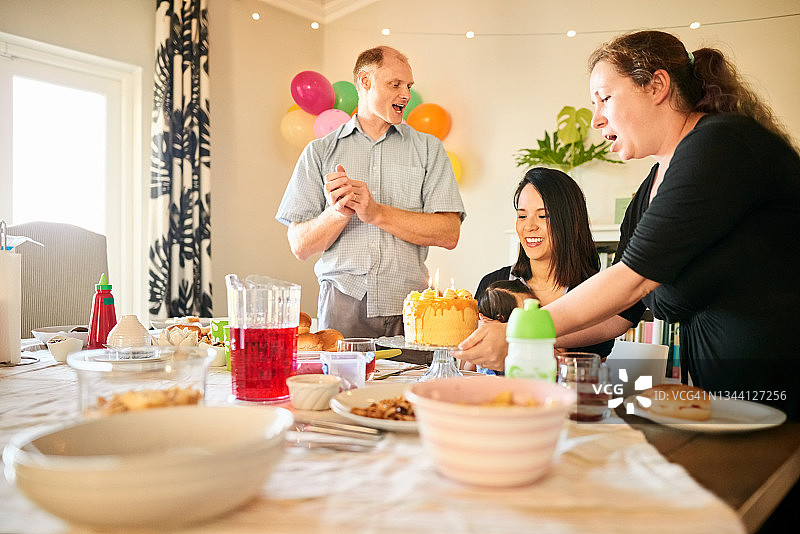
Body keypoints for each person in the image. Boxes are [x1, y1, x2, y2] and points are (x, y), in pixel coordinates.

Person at [456, 30, 800, 418]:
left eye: (605, 98)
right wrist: (531, 347)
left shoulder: (721, 145)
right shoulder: (650, 189)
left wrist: (523, 332)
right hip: (728, 405)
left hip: (784, 397)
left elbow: (633, 279)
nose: (597, 118)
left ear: (657, 86)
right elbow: (621, 312)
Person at [275, 46, 465, 340]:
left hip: (413, 310)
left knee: (411, 388)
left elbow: (449, 232)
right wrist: (337, 213)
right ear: (365, 81)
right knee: (345, 388)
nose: (406, 95)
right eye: (395, 84)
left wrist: (376, 213)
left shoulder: (429, 150)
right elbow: (300, 245)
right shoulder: (319, 151)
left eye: (409, 86)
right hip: (341, 309)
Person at [475, 167, 644, 361]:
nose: (529, 226)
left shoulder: (597, 295)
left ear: (569, 222)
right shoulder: (493, 284)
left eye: (543, 216)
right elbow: (467, 366)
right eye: (522, 216)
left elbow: (583, 374)